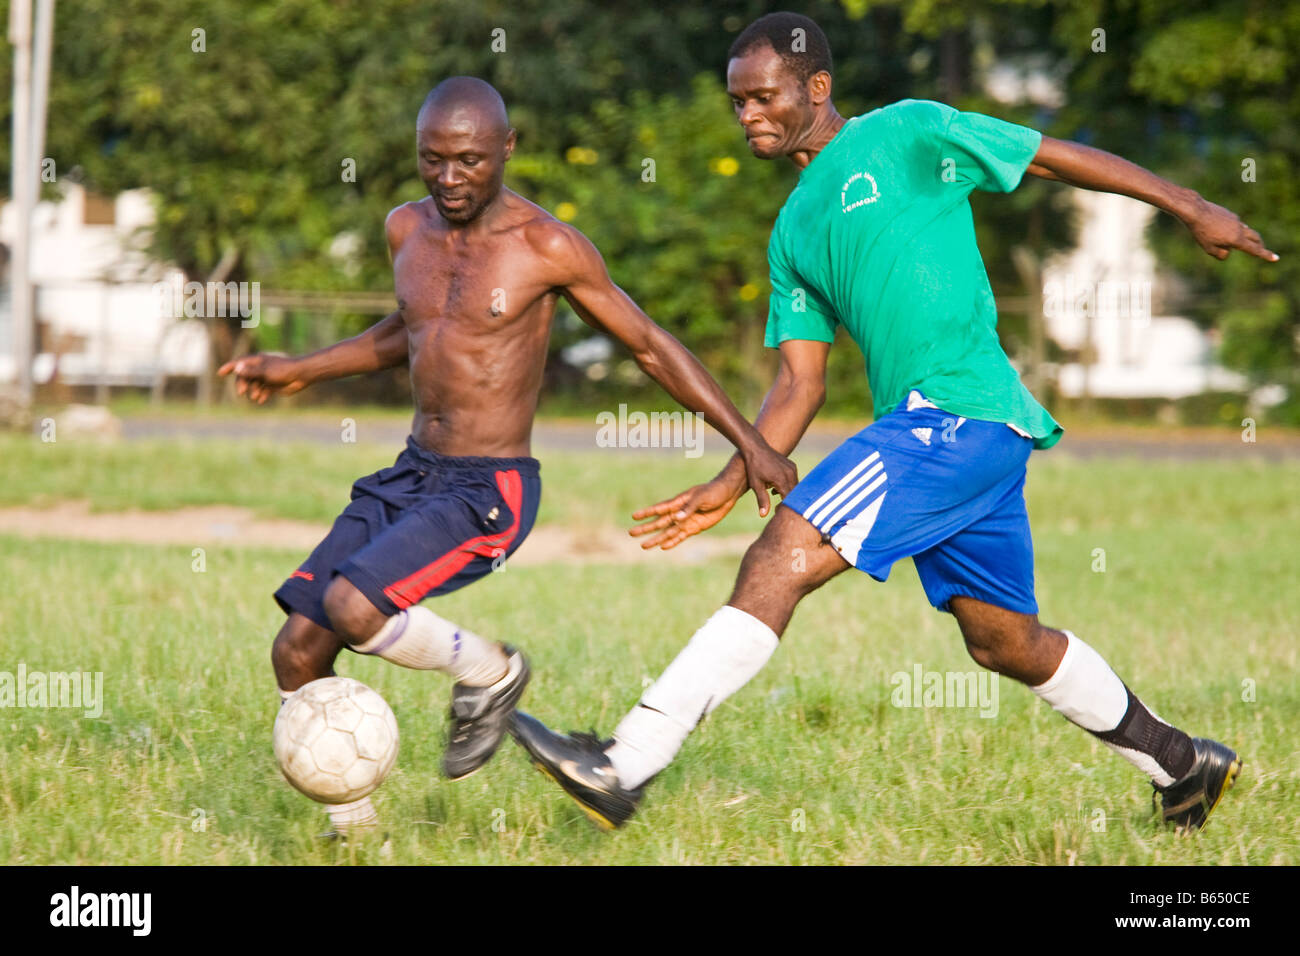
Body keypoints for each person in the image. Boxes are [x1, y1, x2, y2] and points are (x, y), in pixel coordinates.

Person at [510, 11, 1276, 832]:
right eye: (737, 103)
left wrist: (1189, 203)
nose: (749, 116)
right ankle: (1181, 764)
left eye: (763, 97)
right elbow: (800, 381)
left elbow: (1047, 156)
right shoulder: (791, 231)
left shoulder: (908, 131)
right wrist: (735, 473)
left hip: (952, 415)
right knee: (1003, 642)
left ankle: (625, 763)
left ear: (817, 87)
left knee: (780, 560)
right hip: (961, 440)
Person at [220, 76, 796, 835]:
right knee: (297, 650)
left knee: (355, 609)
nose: (450, 179)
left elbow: (651, 347)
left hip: (488, 488)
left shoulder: (546, 246)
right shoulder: (406, 230)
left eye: (469, 161)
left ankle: (491, 671)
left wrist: (749, 442)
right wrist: (299, 368)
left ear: (506, 150)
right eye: (433, 161)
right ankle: (355, 839)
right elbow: (413, 332)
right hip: (410, 472)